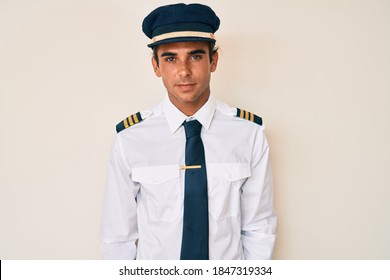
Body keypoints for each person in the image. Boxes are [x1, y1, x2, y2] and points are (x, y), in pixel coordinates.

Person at [100, 3, 276, 260]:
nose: (184, 71)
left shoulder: (248, 134)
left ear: (213, 60)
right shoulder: (130, 139)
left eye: (195, 56)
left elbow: (259, 227)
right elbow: (117, 237)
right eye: (170, 58)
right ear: (156, 66)